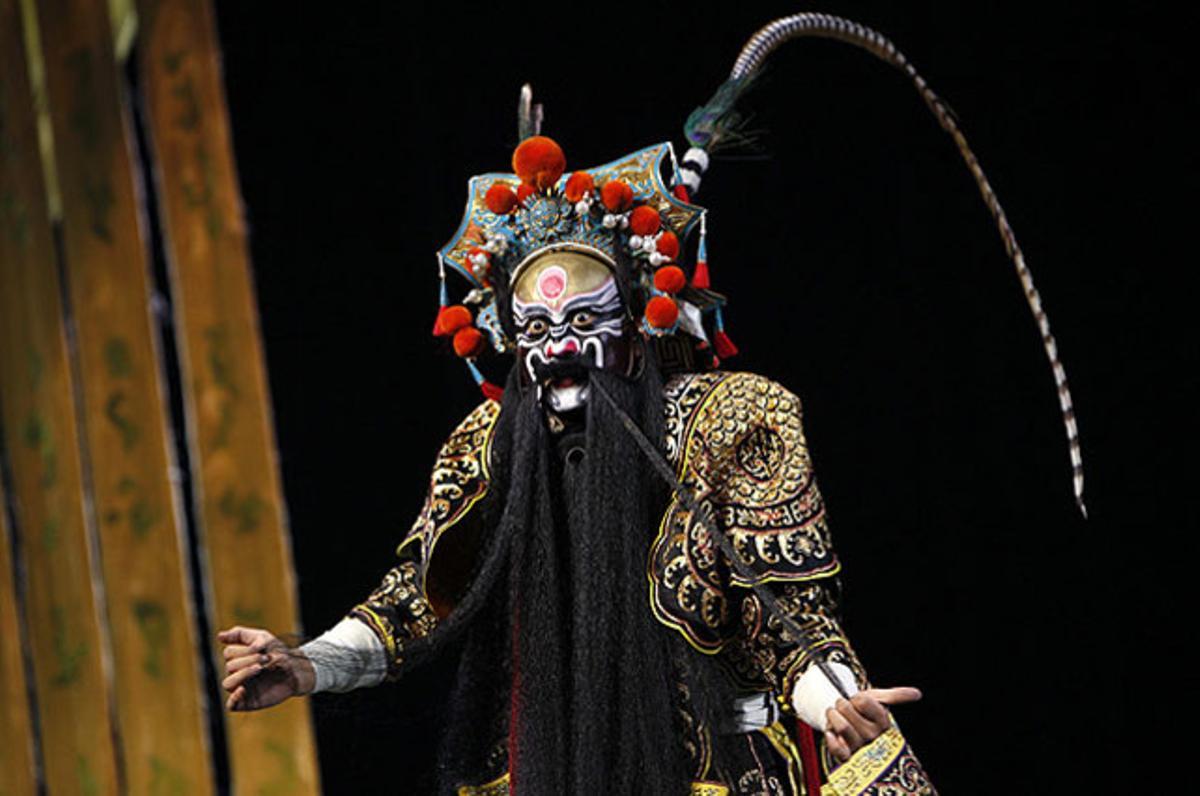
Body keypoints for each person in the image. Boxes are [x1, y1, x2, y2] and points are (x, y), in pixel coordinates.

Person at [221, 13, 1087, 794]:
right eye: (535, 329)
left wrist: (833, 702)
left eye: (584, 320)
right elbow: (416, 598)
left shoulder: (735, 421)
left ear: (638, 328)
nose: (557, 345)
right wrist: (306, 665)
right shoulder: (488, 442)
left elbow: (785, 615)